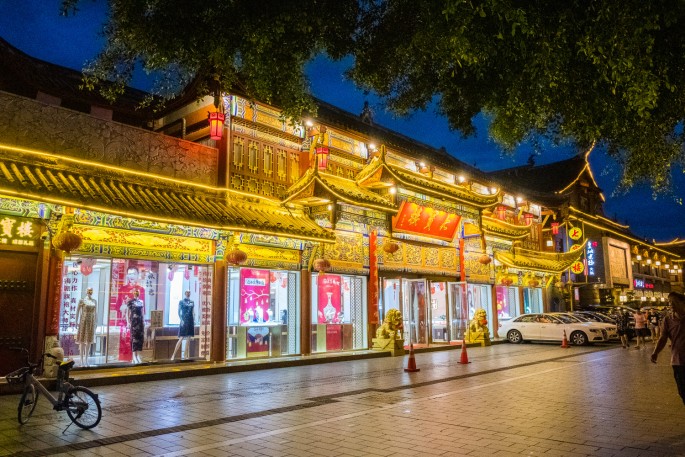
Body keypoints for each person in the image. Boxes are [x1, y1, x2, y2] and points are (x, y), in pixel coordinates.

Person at [651, 292, 685, 405]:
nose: (671, 305)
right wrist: (656, 352)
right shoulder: (668, 320)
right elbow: (663, 338)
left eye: (674, 302)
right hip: (678, 361)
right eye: (670, 302)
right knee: (682, 392)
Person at [75, 287, 97, 367]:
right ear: (86, 291)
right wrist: (76, 321)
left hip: (91, 321)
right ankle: (81, 359)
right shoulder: (82, 300)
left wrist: (96, 322)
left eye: (91, 290)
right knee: (82, 340)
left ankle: (86, 359)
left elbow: (95, 312)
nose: (90, 291)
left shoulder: (94, 301)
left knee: (89, 341)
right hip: (83, 321)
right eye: (88, 290)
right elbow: (77, 311)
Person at [171, 290, 195, 361]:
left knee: (188, 339)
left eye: (189, 292)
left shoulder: (192, 302)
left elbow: (193, 312)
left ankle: (185, 355)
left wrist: (194, 319)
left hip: (190, 321)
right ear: (185, 293)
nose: (188, 293)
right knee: (181, 338)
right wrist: (181, 320)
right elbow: (179, 312)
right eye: (187, 292)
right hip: (184, 321)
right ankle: (173, 355)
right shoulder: (181, 302)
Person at [126, 289, 145, 364]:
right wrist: (128, 322)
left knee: (140, 338)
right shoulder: (130, 302)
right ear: (133, 293)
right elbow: (127, 313)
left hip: (140, 322)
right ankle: (134, 355)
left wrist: (143, 321)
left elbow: (142, 313)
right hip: (133, 322)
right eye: (135, 292)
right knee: (134, 338)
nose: (136, 293)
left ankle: (138, 355)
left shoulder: (141, 302)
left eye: (138, 292)